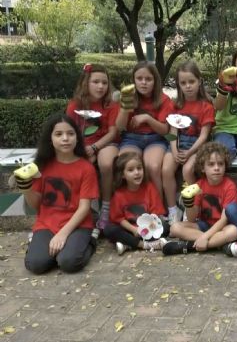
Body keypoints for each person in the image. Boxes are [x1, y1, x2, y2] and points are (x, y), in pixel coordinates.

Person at [19, 113, 98, 274]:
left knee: (68, 263)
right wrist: (26, 189)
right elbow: (36, 206)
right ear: (51, 138)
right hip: (47, 223)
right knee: (35, 265)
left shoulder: (86, 168)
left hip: (78, 224)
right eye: (59, 134)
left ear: (77, 138)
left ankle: (90, 240)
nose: (65, 138)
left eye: (70, 134)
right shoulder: (41, 166)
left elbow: (84, 208)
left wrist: (62, 235)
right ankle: (47, 247)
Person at [66, 63, 120, 229]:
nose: (100, 86)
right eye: (96, 82)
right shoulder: (75, 105)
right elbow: (69, 130)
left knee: (106, 163)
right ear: (86, 83)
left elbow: (112, 133)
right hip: (81, 145)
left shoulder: (111, 105)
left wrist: (94, 148)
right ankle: (80, 210)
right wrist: (83, 149)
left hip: (106, 142)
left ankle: (105, 208)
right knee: (79, 167)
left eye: (104, 83)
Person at [162, 142, 237, 255]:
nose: (216, 168)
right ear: (203, 168)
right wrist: (189, 203)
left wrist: (205, 237)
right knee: (174, 228)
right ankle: (218, 243)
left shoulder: (230, 186)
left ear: (225, 166)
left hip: (222, 226)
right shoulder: (199, 185)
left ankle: (189, 246)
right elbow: (192, 219)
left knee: (234, 231)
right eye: (211, 164)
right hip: (204, 225)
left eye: (220, 164)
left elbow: (224, 220)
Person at [162, 60, 215, 223]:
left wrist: (190, 152)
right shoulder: (175, 104)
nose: (188, 86)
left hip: (197, 145)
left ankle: (192, 207)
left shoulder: (206, 105)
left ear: (199, 81)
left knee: (187, 170)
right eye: (183, 83)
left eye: (191, 81)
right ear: (178, 85)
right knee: (166, 169)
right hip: (177, 144)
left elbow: (204, 136)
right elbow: (172, 131)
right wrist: (175, 149)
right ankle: (172, 210)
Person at [115, 61, 173, 201]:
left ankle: (159, 209)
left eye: (148, 79)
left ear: (155, 81)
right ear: (133, 80)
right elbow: (120, 127)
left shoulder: (164, 100)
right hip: (131, 138)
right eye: (139, 79)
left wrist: (147, 118)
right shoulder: (128, 97)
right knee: (125, 165)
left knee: (152, 166)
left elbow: (165, 130)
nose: (143, 83)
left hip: (155, 139)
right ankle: (130, 206)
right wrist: (124, 107)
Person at [103, 152, 168, 255]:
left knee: (165, 226)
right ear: (123, 175)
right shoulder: (119, 194)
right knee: (108, 230)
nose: (137, 172)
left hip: (148, 229)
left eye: (139, 168)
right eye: (131, 170)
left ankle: (127, 244)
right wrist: (134, 230)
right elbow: (119, 219)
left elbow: (156, 214)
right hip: (130, 229)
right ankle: (145, 245)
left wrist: (146, 229)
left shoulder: (149, 188)